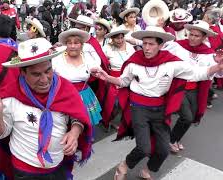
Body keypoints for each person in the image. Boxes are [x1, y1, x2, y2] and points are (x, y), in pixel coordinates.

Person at [90, 26, 223, 179]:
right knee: (144, 148)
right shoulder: (134, 61)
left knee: (163, 150)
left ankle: (146, 169)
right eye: (145, 43)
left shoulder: (172, 62)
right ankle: (124, 165)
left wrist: (217, 67)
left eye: (151, 44)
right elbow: (123, 81)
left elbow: (198, 73)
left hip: (160, 109)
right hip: (138, 107)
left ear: (160, 45)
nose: (146, 48)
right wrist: (107, 77)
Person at [0, 38, 93, 179]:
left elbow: (78, 116)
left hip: (58, 168)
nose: (44, 79)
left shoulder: (65, 89)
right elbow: (2, 133)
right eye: (36, 74)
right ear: (23, 73)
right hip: (24, 171)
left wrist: (74, 132)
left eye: (48, 71)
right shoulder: (11, 94)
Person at [162, 20, 223, 152]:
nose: (192, 38)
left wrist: (218, 64)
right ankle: (171, 140)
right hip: (178, 87)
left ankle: (176, 138)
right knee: (187, 117)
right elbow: (162, 53)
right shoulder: (177, 46)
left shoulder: (208, 53)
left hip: (195, 89)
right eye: (191, 34)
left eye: (196, 36)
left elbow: (215, 74)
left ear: (204, 37)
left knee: (192, 116)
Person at [53, 28, 102, 127]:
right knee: (65, 127)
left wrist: (95, 71)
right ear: (65, 44)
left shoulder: (87, 57)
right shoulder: (57, 58)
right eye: (69, 43)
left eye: (76, 43)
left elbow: (96, 67)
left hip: (85, 96)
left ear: (82, 45)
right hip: (64, 97)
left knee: (86, 127)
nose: (72, 46)